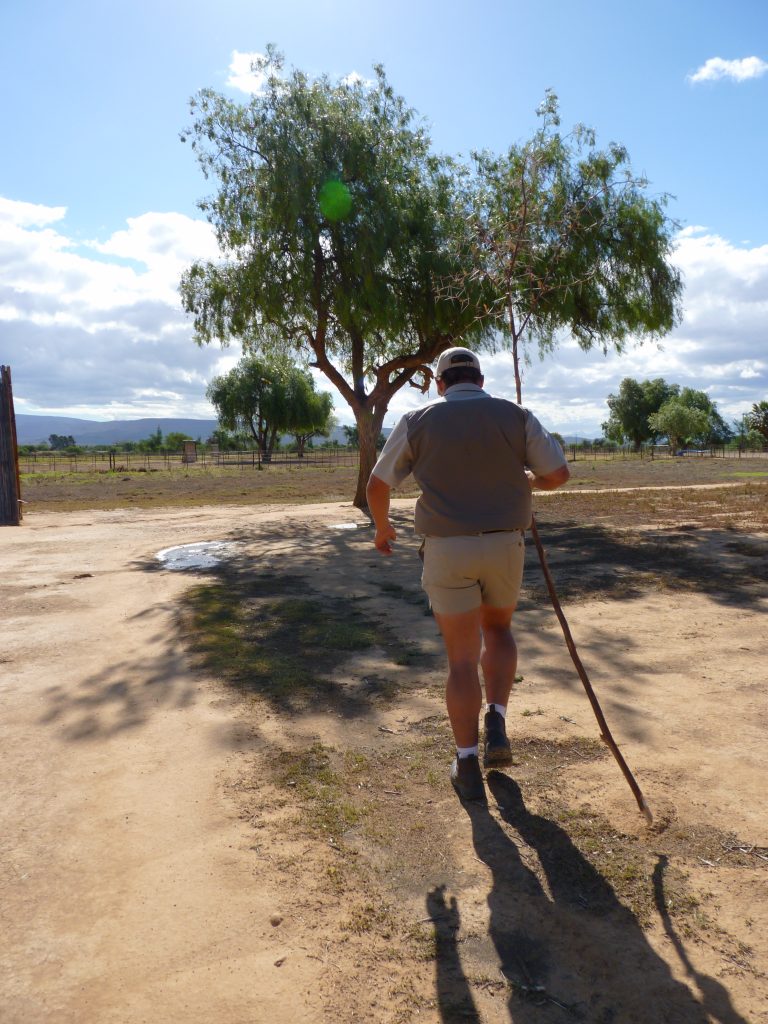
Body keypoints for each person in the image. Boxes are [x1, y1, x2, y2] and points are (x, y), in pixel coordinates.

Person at [366, 347, 570, 802]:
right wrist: (527, 482)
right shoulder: (514, 415)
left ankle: (466, 762)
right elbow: (557, 474)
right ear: (479, 379)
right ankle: (495, 716)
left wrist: (383, 527)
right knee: (498, 630)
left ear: (440, 383)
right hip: (504, 543)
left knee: (461, 659)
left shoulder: (417, 420)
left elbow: (378, 484)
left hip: (446, 549)